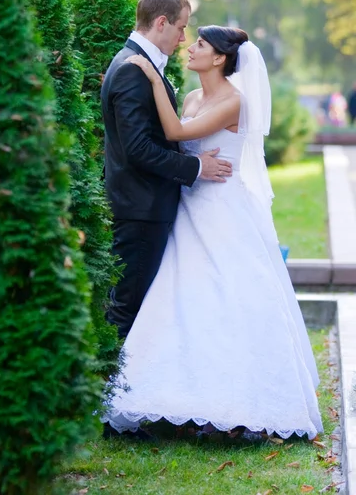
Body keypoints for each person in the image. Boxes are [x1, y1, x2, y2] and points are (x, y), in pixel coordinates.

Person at [102, 26, 323, 440]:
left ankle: (235, 406)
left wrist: (151, 77)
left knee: (226, 297)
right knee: (180, 301)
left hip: (222, 210)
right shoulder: (190, 97)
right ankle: (175, 400)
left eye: (200, 44)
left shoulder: (234, 101)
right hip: (189, 208)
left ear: (220, 58)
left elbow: (176, 134)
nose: (191, 46)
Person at [101, 0, 232, 340]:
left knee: (137, 306)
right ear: (161, 22)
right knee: (129, 308)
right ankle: (108, 392)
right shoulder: (131, 69)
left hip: (145, 205)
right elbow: (138, 149)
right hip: (140, 208)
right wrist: (196, 168)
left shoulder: (136, 64)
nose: (183, 38)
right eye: (181, 27)